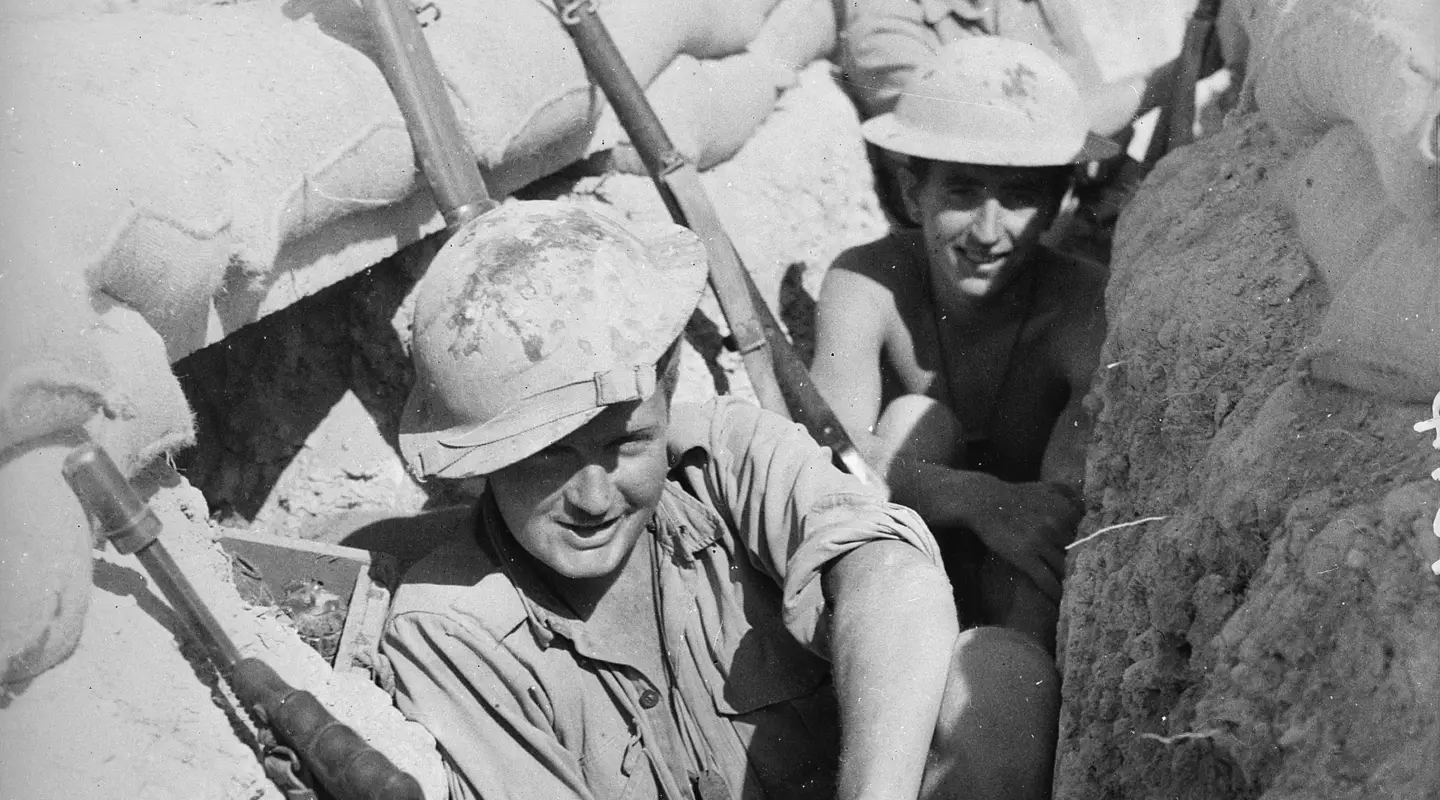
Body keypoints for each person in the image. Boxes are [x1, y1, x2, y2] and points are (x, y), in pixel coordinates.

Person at [381, 200, 1059, 799]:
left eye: (626, 443)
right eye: (549, 457)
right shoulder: (452, 631)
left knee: (1000, 679)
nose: (594, 497)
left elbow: (890, 573)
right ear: (485, 461)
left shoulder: (725, 460)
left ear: (667, 402)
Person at [810, 37, 1118, 649]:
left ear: (1057, 202)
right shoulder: (867, 282)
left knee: (1039, 545)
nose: (987, 231)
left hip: (1019, 587)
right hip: (899, 573)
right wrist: (978, 499)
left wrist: (1007, 512)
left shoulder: (1085, 305)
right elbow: (827, 455)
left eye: (1020, 196)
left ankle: (997, 683)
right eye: (961, 192)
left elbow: (1065, 509)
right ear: (911, 193)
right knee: (916, 419)